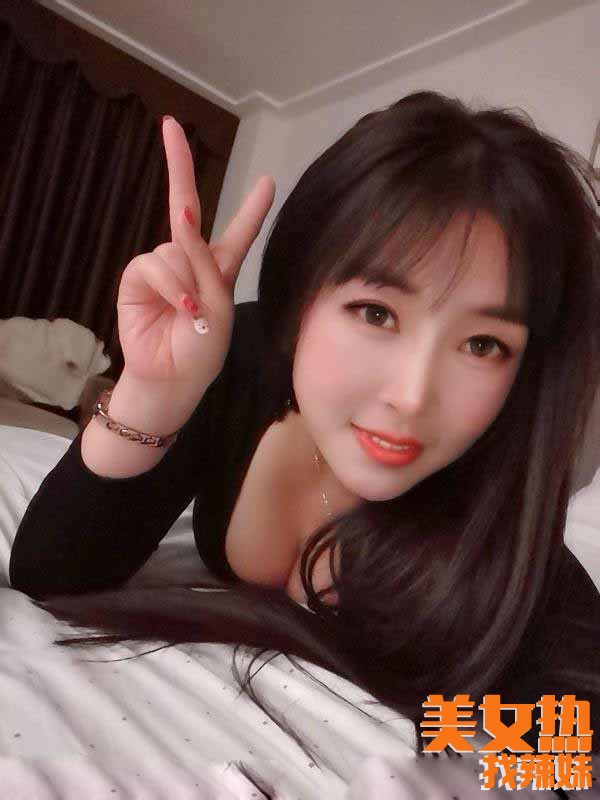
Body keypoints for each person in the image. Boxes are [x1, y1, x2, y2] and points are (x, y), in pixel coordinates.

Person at [9, 91, 600, 755]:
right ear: (301, 295)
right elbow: (49, 577)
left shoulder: (499, 528)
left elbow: (580, 736)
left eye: (483, 344)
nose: (412, 396)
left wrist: (456, 739)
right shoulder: (238, 356)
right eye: (376, 313)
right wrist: (151, 394)